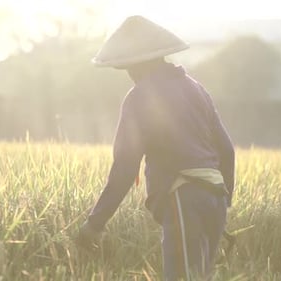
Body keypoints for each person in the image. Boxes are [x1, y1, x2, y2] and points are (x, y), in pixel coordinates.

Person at [76, 15, 235, 281]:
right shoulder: (196, 89)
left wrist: (94, 223)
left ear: (137, 64)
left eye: (127, 67)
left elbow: (125, 168)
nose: (128, 75)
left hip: (183, 198)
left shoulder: (139, 98)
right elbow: (227, 151)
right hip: (215, 198)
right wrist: (223, 201)